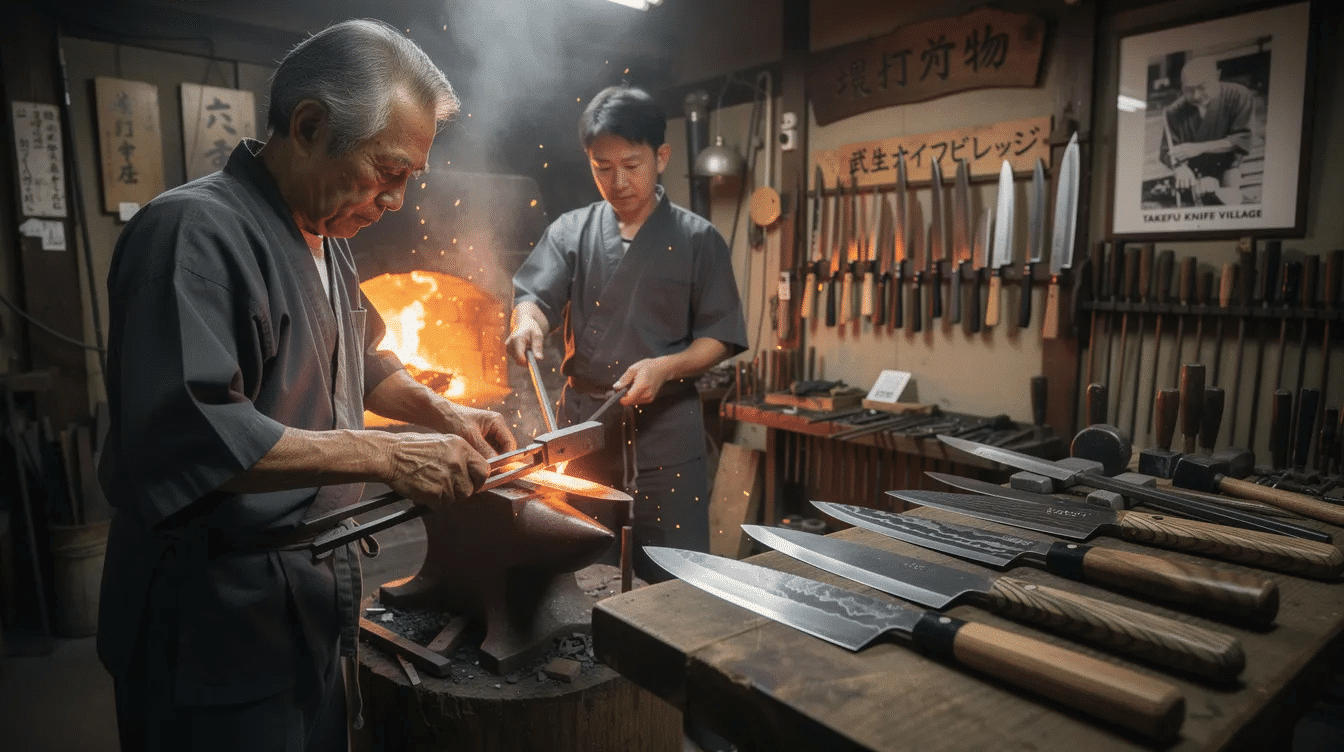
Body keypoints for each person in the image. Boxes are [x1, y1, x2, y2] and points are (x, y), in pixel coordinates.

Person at [97, 19, 515, 751]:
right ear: (311, 125)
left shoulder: (322, 234)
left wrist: (446, 413)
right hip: (210, 624)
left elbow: (365, 356)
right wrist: (389, 457)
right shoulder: (190, 235)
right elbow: (195, 436)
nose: (395, 201)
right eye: (388, 172)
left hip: (304, 604)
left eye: (409, 180)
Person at [505, 85, 747, 584]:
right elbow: (535, 299)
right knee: (582, 569)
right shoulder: (570, 231)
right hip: (587, 431)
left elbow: (719, 336)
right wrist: (526, 322)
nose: (617, 181)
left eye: (631, 165)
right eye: (602, 166)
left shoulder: (699, 239)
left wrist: (666, 367)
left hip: (667, 428)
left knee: (674, 576)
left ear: (661, 156)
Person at [1160, 56, 1255, 205]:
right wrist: (1179, 167)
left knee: (1231, 198)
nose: (1196, 96)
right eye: (1189, 90)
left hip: (1231, 166)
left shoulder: (1239, 96)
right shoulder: (1174, 111)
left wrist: (1199, 148)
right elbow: (1167, 150)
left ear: (1217, 76)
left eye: (1202, 87)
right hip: (1194, 173)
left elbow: (1242, 139)